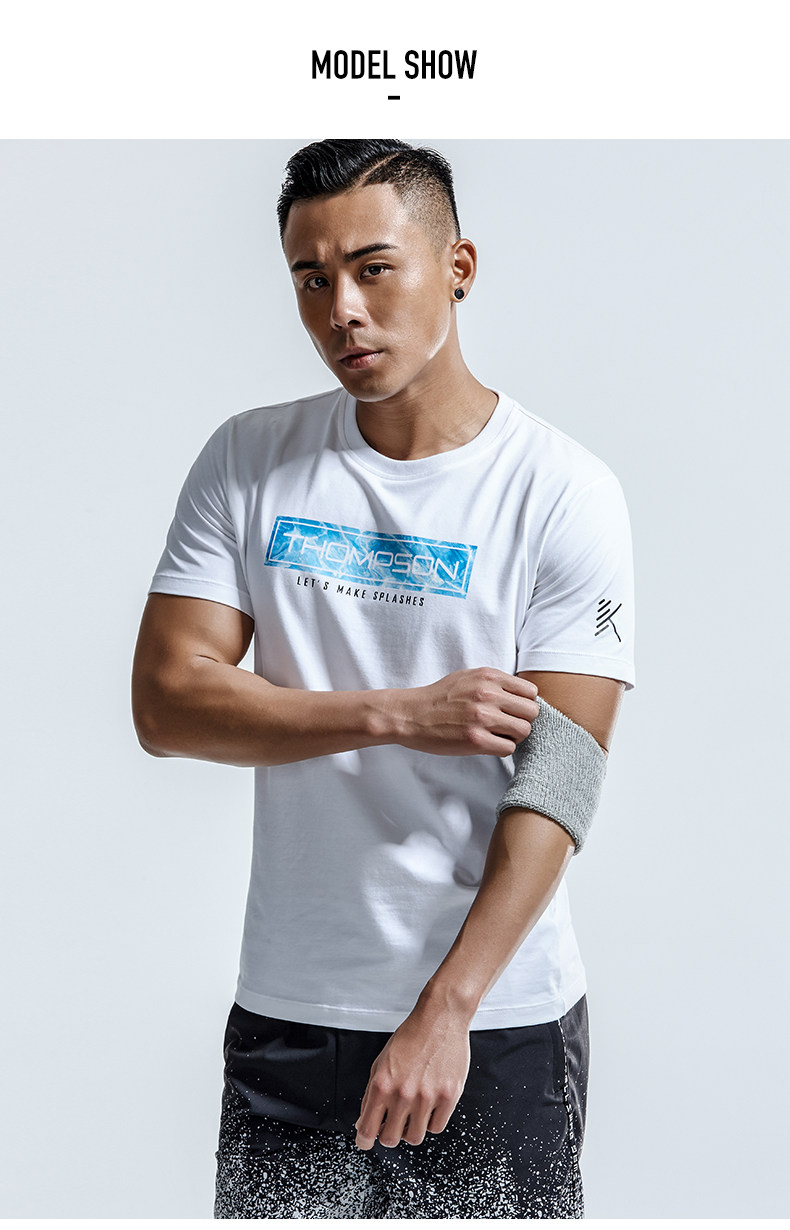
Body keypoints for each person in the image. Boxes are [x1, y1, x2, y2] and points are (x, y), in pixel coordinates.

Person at [132, 139, 635, 1218]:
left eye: (373, 269)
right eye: (311, 279)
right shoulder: (249, 460)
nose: (342, 312)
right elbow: (168, 704)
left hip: (491, 1023)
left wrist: (446, 1010)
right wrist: (401, 712)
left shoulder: (561, 491)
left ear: (457, 266)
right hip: (291, 1006)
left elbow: (562, 777)